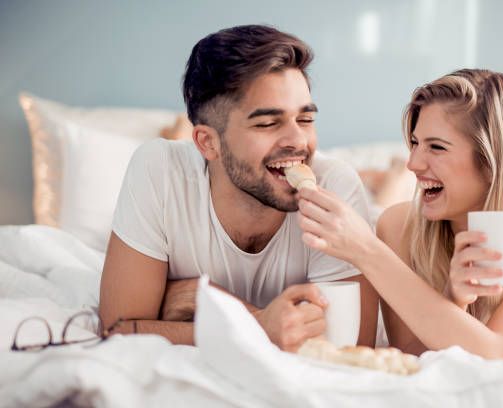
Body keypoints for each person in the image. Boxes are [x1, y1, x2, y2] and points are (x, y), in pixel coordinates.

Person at [98, 25, 378, 351]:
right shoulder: (159, 171)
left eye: (305, 119)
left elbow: (348, 349)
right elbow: (120, 330)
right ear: (208, 143)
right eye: (268, 123)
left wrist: (205, 300)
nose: (298, 141)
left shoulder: (335, 186)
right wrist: (259, 325)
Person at [295, 69, 503, 360]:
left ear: (492, 160)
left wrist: (368, 252)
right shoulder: (396, 225)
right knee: (383, 208)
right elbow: (409, 355)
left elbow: (500, 354)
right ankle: (391, 179)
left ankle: (390, 179)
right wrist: (452, 301)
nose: (414, 163)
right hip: (395, 214)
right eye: (415, 143)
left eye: (436, 147)